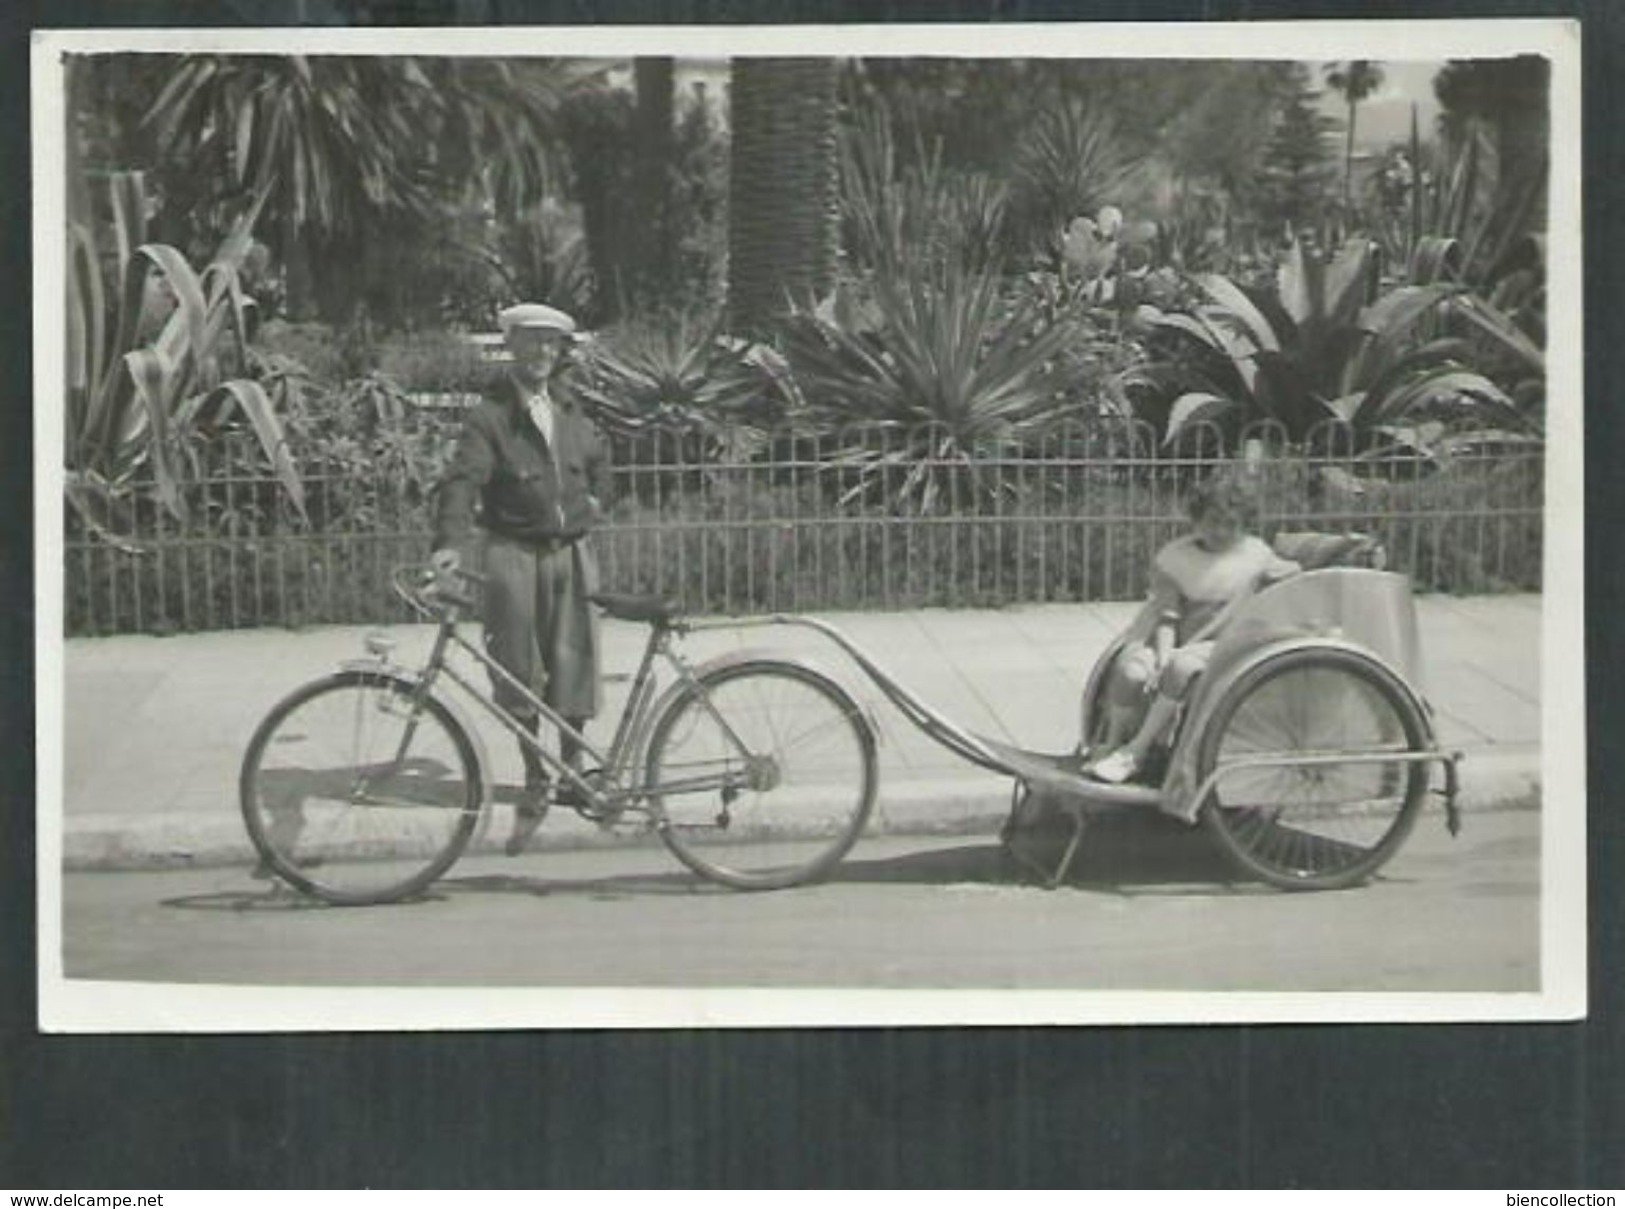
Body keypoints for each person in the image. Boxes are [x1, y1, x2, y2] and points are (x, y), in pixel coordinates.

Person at [431, 303, 610, 854]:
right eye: (532, 343)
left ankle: (574, 769)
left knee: (575, 660)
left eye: (551, 345)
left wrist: (597, 501)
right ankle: (536, 776)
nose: (541, 354)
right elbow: (463, 481)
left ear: (560, 353)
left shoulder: (569, 406)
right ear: (512, 346)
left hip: (572, 554)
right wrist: (449, 546)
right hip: (512, 554)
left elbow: (600, 459)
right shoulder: (490, 416)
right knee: (520, 668)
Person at [1084, 475, 1300, 785]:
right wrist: (1162, 655)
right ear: (1197, 520)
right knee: (1131, 670)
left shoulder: (1255, 556)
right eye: (1212, 521)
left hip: (1225, 643)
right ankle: (1110, 743)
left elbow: (1294, 573)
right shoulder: (1177, 559)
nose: (1221, 531)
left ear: (1244, 525)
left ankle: (1137, 751)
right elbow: (1167, 617)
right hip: (1175, 637)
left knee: (1180, 666)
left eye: (1231, 524)